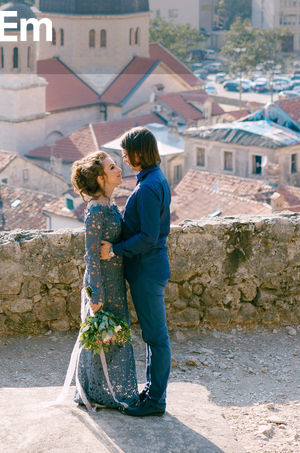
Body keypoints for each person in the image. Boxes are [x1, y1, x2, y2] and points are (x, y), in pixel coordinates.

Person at [102, 126, 171, 418]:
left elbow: (148, 237)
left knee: (156, 337)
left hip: (146, 269)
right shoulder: (154, 179)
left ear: (139, 152)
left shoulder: (147, 188)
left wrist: (115, 250)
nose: (125, 158)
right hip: (150, 266)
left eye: (127, 153)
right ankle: (152, 392)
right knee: (152, 336)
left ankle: (156, 401)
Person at [68, 151, 140, 411]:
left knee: (115, 335)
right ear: (100, 178)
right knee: (101, 337)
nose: (119, 170)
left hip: (115, 281)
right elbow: (90, 254)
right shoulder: (96, 210)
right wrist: (96, 294)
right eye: (112, 168)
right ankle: (96, 391)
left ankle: (113, 390)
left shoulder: (110, 205)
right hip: (101, 284)